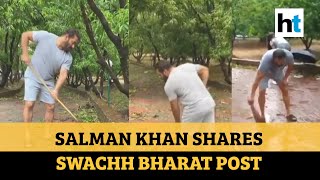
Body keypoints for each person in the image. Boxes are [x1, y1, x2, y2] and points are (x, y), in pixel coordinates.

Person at [20, 29, 80, 122]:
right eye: (73, 42)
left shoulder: (68, 57)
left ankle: (47, 135)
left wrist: (56, 90)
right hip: (33, 75)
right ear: (67, 37)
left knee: (51, 106)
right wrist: (25, 53)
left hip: (48, 80)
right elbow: (25, 35)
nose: (73, 46)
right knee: (29, 104)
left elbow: (63, 74)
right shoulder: (46, 36)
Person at [247, 48, 297, 122]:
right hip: (265, 73)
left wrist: (285, 79)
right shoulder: (266, 61)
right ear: (273, 59)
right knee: (262, 92)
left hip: (278, 72)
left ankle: (288, 113)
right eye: (277, 62)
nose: (279, 63)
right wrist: (252, 95)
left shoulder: (289, 57)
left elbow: (290, 68)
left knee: (285, 89)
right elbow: (257, 80)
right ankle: (262, 114)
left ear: (284, 59)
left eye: (282, 62)